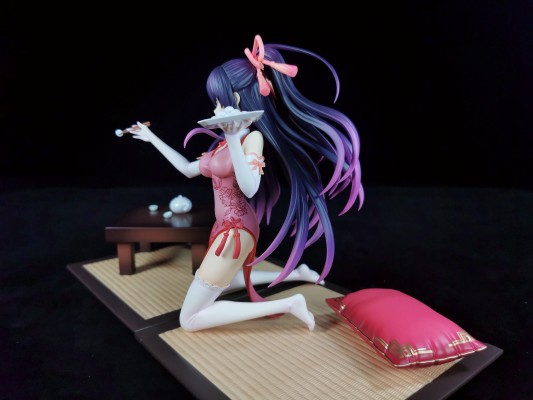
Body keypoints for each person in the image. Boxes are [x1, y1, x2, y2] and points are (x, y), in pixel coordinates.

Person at [124, 35, 364, 332]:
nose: (216, 108)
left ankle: (290, 303)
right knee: (222, 280)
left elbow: (250, 187)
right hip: (225, 225)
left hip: (237, 230)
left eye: (220, 101)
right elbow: (187, 169)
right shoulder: (224, 143)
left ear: (238, 100)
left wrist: (234, 137)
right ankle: (297, 274)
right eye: (215, 102)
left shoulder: (252, 138)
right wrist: (152, 139)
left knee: (190, 320)